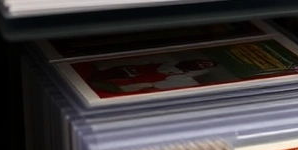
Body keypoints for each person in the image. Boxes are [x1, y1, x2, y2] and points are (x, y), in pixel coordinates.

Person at [86, 55, 216, 93]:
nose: (200, 64)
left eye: (204, 66)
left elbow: (149, 88)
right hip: (101, 70)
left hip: (116, 85)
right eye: (201, 62)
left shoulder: (182, 79)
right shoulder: (166, 60)